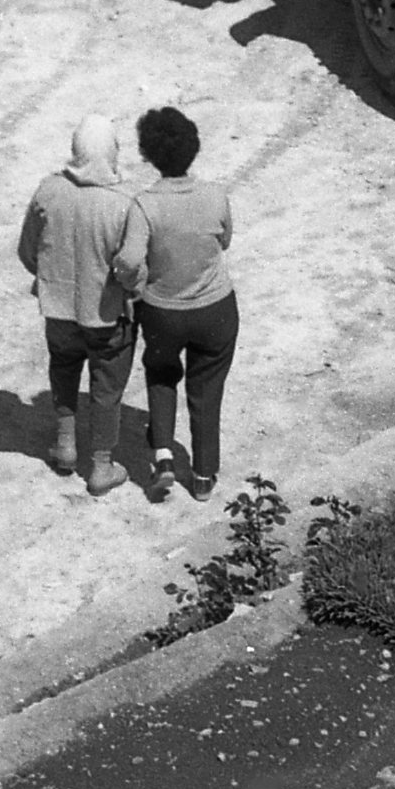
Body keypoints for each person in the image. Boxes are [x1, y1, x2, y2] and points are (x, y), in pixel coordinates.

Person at [17, 113, 149, 498]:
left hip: (57, 308)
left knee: (63, 367)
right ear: (112, 153)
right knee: (106, 386)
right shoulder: (124, 203)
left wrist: (50, 279)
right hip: (107, 315)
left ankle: (65, 444)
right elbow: (132, 266)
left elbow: (28, 252)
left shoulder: (47, 191)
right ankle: (102, 465)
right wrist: (130, 291)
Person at [128, 103, 242, 500]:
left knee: (160, 373)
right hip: (215, 309)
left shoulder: (144, 204)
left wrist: (134, 285)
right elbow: (224, 241)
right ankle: (204, 476)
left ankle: (162, 455)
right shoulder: (215, 195)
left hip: (163, 312)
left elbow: (129, 261)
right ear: (194, 147)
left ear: (147, 155)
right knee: (207, 389)